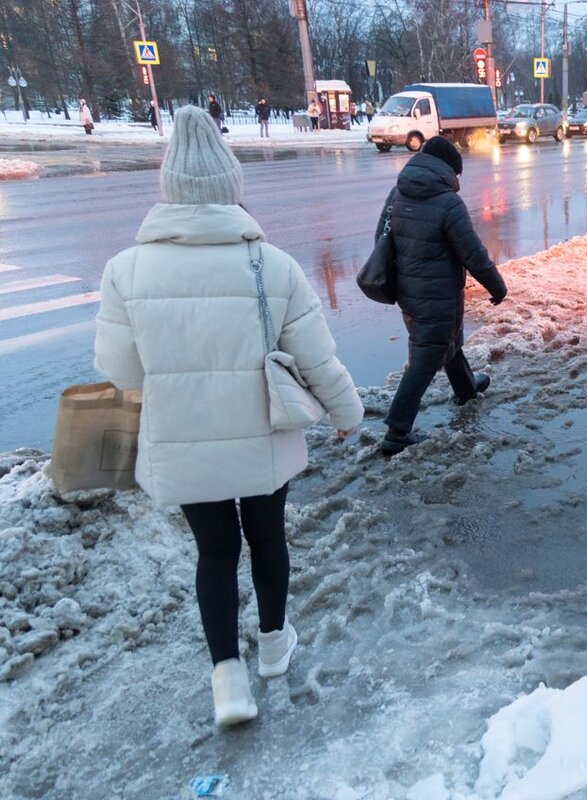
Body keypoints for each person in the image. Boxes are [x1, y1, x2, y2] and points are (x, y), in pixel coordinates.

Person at [93, 105, 364, 728]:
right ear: (231, 188)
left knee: (214, 554)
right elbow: (317, 359)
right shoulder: (272, 265)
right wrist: (346, 413)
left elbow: (125, 375)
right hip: (264, 433)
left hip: (183, 441)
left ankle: (227, 683)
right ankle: (274, 647)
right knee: (267, 537)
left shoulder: (124, 272)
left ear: (168, 189)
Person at [373, 136, 508, 456]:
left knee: (445, 341)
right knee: (426, 356)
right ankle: (397, 430)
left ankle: (466, 388)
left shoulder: (398, 192)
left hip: (408, 291)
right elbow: (473, 253)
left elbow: (380, 237)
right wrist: (497, 286)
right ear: (448, 170)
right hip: (438, 292)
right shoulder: (448, 203)